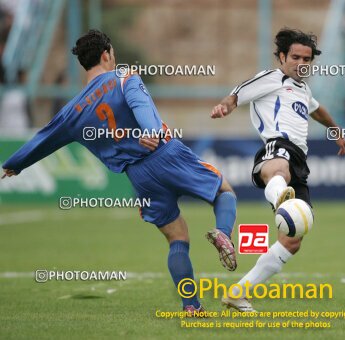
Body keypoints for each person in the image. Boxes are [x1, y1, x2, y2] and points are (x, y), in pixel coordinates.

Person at [1, 29, 237, 314]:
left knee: (177, 238)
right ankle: (223, 233)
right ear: (106, 54)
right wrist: (150, 131)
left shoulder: (73, 110)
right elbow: (142, 108)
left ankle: (191, 306)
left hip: (138, 176)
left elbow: (44, 139)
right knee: (224, 192)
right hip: (164, 154)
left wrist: (14, 164)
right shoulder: (125, 77)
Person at [211, 28, 345, 311]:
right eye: (295, 56)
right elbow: (237, 93)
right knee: (278, 170)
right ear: (282, 57)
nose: (302, 63)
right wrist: (225, 107)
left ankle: (238, 292)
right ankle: (280, 198)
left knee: (292, 241)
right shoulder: (273, 78)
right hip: (278, 145)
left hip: (301, 163)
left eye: (307, 59)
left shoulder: (304, 90)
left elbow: (317, 109)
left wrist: (334, 129)